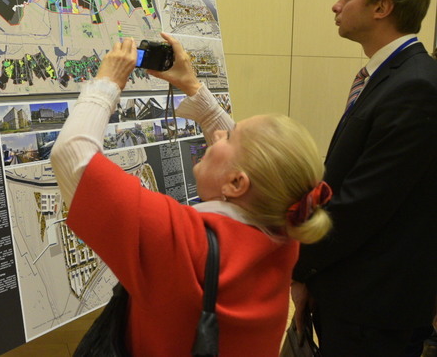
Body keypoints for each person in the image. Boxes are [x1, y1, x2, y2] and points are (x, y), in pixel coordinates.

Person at [51, 33, 332, 356]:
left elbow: (72, 156)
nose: (219, 134)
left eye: (230, 138)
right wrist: (192, 86)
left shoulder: (181, 242)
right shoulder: (283, 226)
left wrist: (107, 83)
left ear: (236, 184)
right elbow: (263, 168)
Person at [291, 0, 437, 357]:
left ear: (381, 7)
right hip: (356, 296)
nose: (336, 5)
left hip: (372, 308)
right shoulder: (391, 77)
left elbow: (362, 204)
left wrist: (300, 267)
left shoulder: (414, 86)